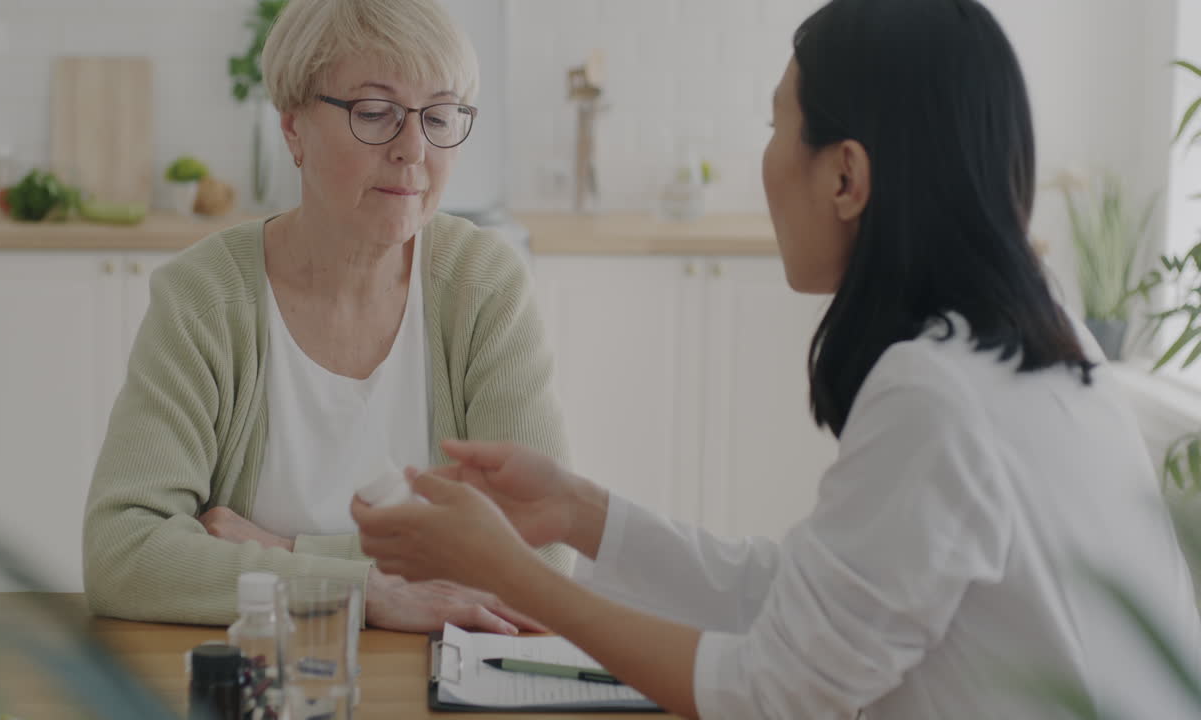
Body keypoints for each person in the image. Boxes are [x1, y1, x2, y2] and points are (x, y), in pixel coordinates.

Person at [351, 0, 1201, 717]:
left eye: (774, 126)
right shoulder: (1038, 342)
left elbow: (771, 691)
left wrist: (510, 575)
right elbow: (804, 600)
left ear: (845, 178)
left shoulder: (936, 397)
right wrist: (577, 509)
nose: (765, 160)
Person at [83, 0, 573, 633]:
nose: (413, 149)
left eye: (440, 115)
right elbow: (121, 553)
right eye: (375, 113)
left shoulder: (483, 285)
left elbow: (541, 562)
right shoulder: (204, 296)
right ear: (292, 130)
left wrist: (290, 556)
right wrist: (370, 590)